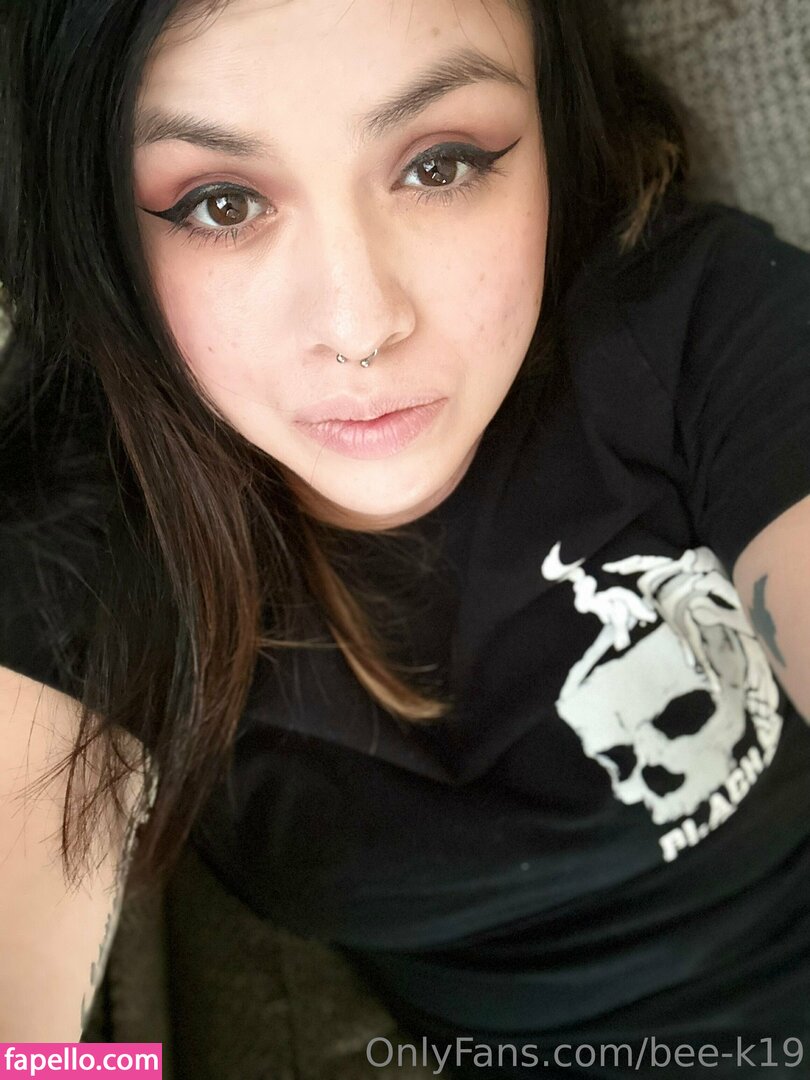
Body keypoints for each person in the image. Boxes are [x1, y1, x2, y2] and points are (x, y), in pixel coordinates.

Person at [1, 0, 810, 1075]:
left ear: (550, 123)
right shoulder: (76, 540)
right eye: (221, 203)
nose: (361, 324)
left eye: (441, 164)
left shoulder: (706, 328)